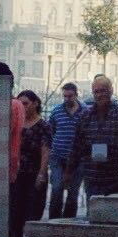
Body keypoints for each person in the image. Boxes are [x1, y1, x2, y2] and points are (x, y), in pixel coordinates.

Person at [73, 75, 118, 206]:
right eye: (96, 91)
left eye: (103, 90)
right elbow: (77, 145)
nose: (100, 95)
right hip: (93, 176)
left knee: (114, 216)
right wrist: (69, 171)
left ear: (111, 91)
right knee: (93, 215)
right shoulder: (85, 115)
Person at [12, 91, 49, 237]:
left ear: (35, 104)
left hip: (33, 172)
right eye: (20, 104)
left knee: (32, 209)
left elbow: (45, 150)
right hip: (16, 173)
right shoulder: (16, 123)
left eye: (25, 104)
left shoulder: (43, 126)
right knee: (15, 209)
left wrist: (42, 173)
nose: (22, 107)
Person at [45, 82, 84, 220]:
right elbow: (51, 131)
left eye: (70, 96)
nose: (67, 99)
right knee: (56, 189)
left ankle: (68, 221)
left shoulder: (85, 111)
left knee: (73, 193)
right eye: (65, 96)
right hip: (58, 156)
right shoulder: (56, 111)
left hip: (78, 159)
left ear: (76, 95)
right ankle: (54, 220)